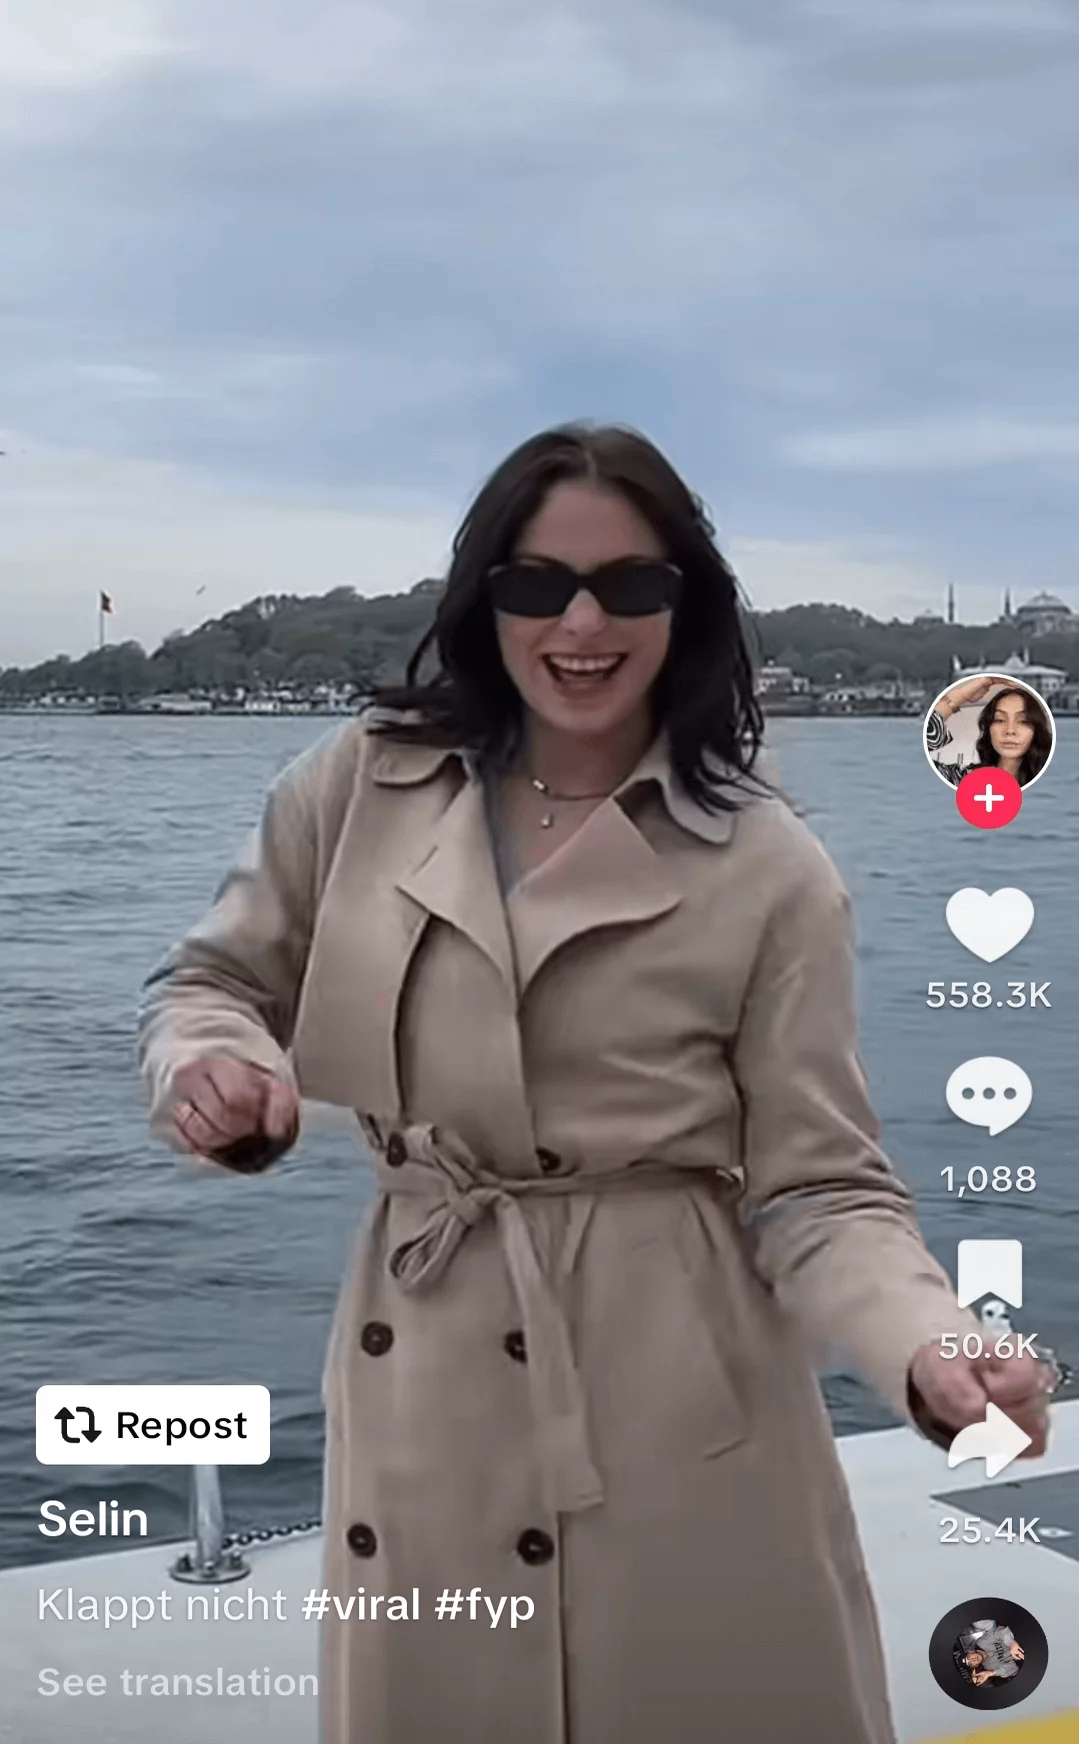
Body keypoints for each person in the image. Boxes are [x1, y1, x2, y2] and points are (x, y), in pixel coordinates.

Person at [136, 422, 1054, 1744]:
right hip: (423, 1399)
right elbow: (210, 981)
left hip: (687, 1424)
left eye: (629, 584)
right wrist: (212, 1065)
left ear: (685, 605)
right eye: (536, 584)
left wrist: (929, 1343)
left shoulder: (766, 865)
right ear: (482, 600)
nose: (581, 621)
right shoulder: (353, 784)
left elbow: (821, 1189)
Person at [926, 673, 1053, 786]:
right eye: (999, 720)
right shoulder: (966, 779)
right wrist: (961, 695)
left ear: (1036, 730)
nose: (1010, 731)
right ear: (988, 728)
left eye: (1023, 721)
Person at [958, 1620, 1025, 1685]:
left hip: (1018, 1634)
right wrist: (991, 1673)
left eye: (969, 1657)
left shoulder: (981, 1642)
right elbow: (1014, 1669)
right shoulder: (990, 1667)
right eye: (971, 1663)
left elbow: (1000, 1631)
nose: (973, 1660)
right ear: (975, 1666)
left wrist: (1011, 1643)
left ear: (971, 1652)